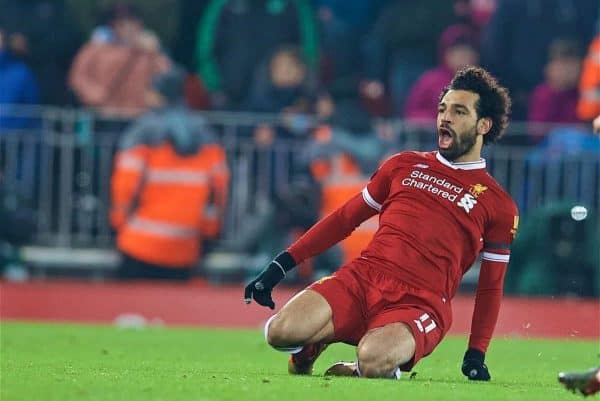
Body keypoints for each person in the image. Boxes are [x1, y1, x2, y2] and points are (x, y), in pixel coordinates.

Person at [244, 66, 518, 380]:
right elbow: (344, 219)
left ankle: (360, 360)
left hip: (420, 303)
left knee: (373, 360)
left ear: (484, 124)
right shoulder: (403, 165)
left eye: (459, 112)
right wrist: (280, 266)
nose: (445, 118)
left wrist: (476, 353)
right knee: (279, 332)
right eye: (442, 109)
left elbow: (490, 286)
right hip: (363, 279)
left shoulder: (498, 204)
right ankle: (313, 344)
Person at [110, 66, 229, 280]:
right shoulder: (206, 133)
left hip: (140, 243)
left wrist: (118, 221)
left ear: (159, 95)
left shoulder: (142, 132)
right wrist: (209, 232)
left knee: (133, 310)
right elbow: (218, 189)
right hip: (186, 246)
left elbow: (125, 184)